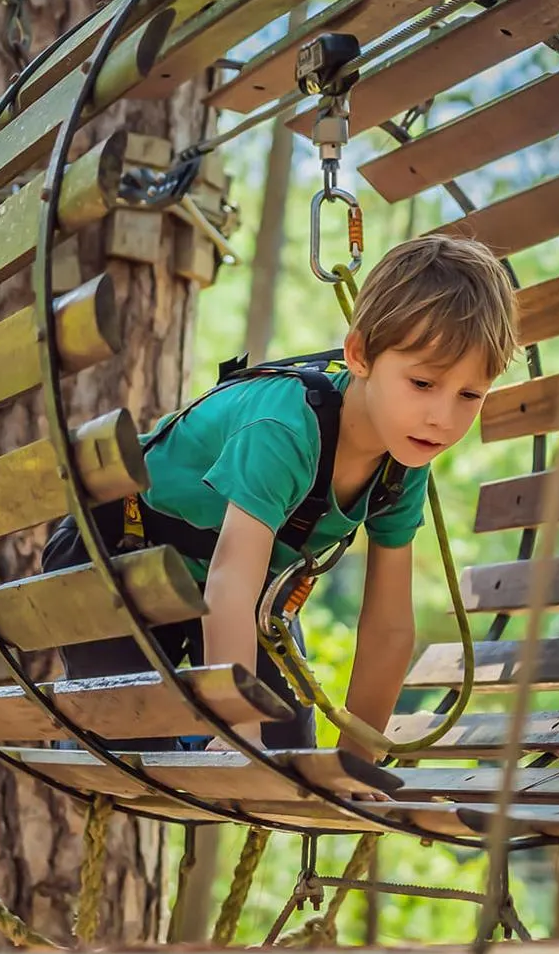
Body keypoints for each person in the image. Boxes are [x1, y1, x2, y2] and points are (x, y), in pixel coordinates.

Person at [44, 235, 518, 759]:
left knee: (287, 754)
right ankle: (95, 730)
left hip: (221, 586)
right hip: (120, 553)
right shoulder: (286, 429)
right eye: (423, 384)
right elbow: (229, 584)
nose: (442, 419)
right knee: (137, 741)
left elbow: (388, 627)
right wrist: (238, 732)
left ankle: (190, 731)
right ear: (359, 355)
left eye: (469, 395)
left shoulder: (402, 469)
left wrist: (358, 764)